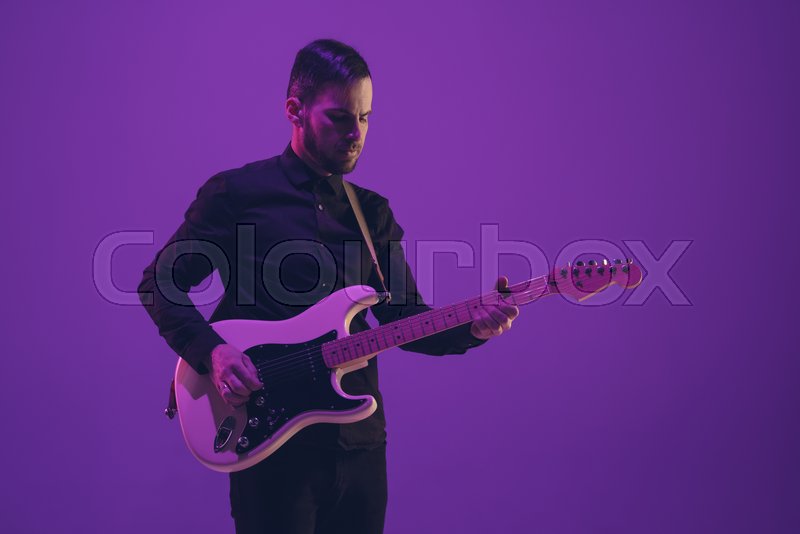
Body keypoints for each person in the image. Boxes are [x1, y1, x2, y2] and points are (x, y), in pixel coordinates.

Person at [138, 38, 519, 534]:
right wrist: (212, 351)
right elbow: (160, 282)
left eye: (365, 118)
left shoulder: (372, 213)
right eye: (340, 117)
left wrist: (474, 328)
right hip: (271, 449)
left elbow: (405, 322)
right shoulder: (237, 195)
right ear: (294, 110)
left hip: (360, 447)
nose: (355, 133)